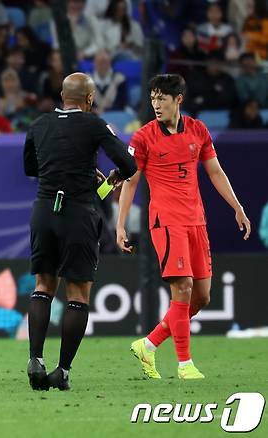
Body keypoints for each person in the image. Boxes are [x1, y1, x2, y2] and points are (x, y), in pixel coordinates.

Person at [117, 74, 251, 380]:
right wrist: (121, 224)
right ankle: (184, 364)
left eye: (161, 98)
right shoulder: (143, 137)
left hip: (196, 220)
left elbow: (215, 171)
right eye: (152, 98)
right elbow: (131, 182)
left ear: (178, 99)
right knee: (183, 287)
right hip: (166, 221)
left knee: (201, 297)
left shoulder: (198, 130)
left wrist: (237, 207)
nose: (155, 104)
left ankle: (149, 344)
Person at [23, 72, 137, 391]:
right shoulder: (95, 124)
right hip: (77, 212)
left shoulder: (38, 125)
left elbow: (30, 168)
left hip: (44, 210)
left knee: (44, 285)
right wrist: (108, 177)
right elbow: (129, 165)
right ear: (89, 99)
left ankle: (35, 358)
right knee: (78, 294)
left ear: (62, 95)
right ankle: (62, 370)